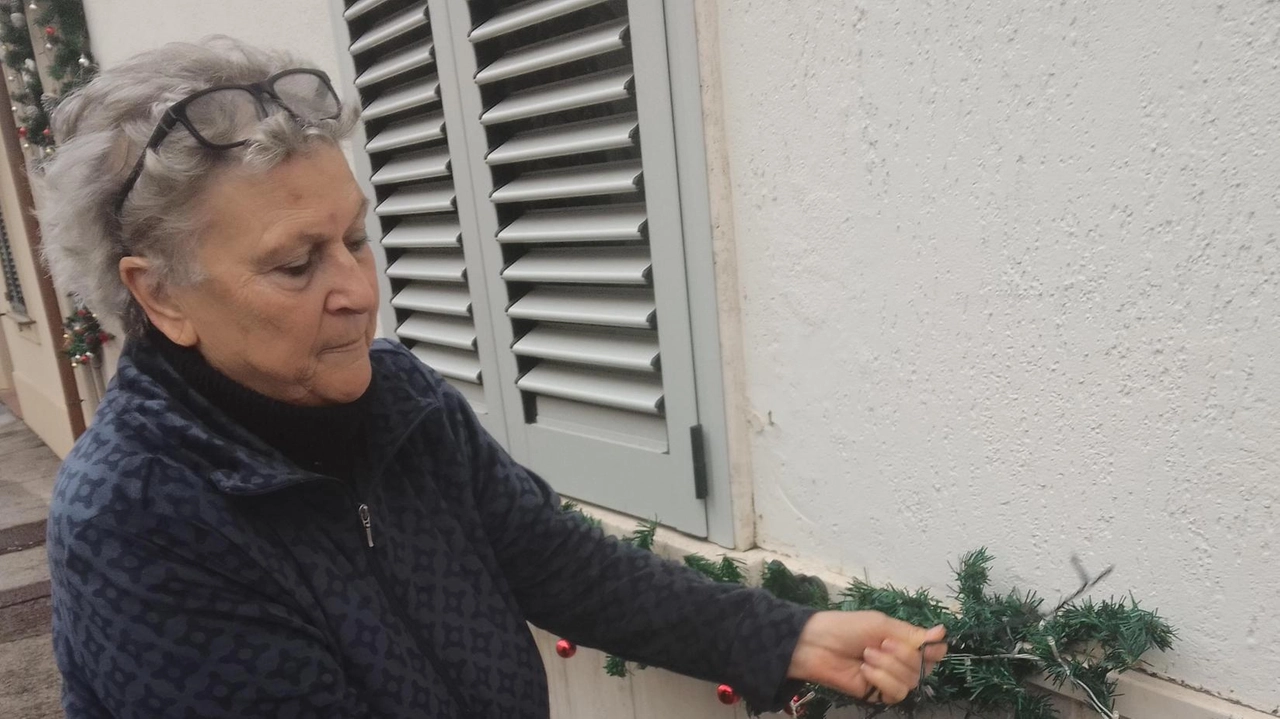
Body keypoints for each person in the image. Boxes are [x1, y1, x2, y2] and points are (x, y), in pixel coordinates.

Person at [39, 37, 946, 718]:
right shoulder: (136, 514)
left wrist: (784, 633)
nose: (359, 292)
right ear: (160, 295)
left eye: (355, 239)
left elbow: (555, 561)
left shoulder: (400, 400)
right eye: (295, 266)